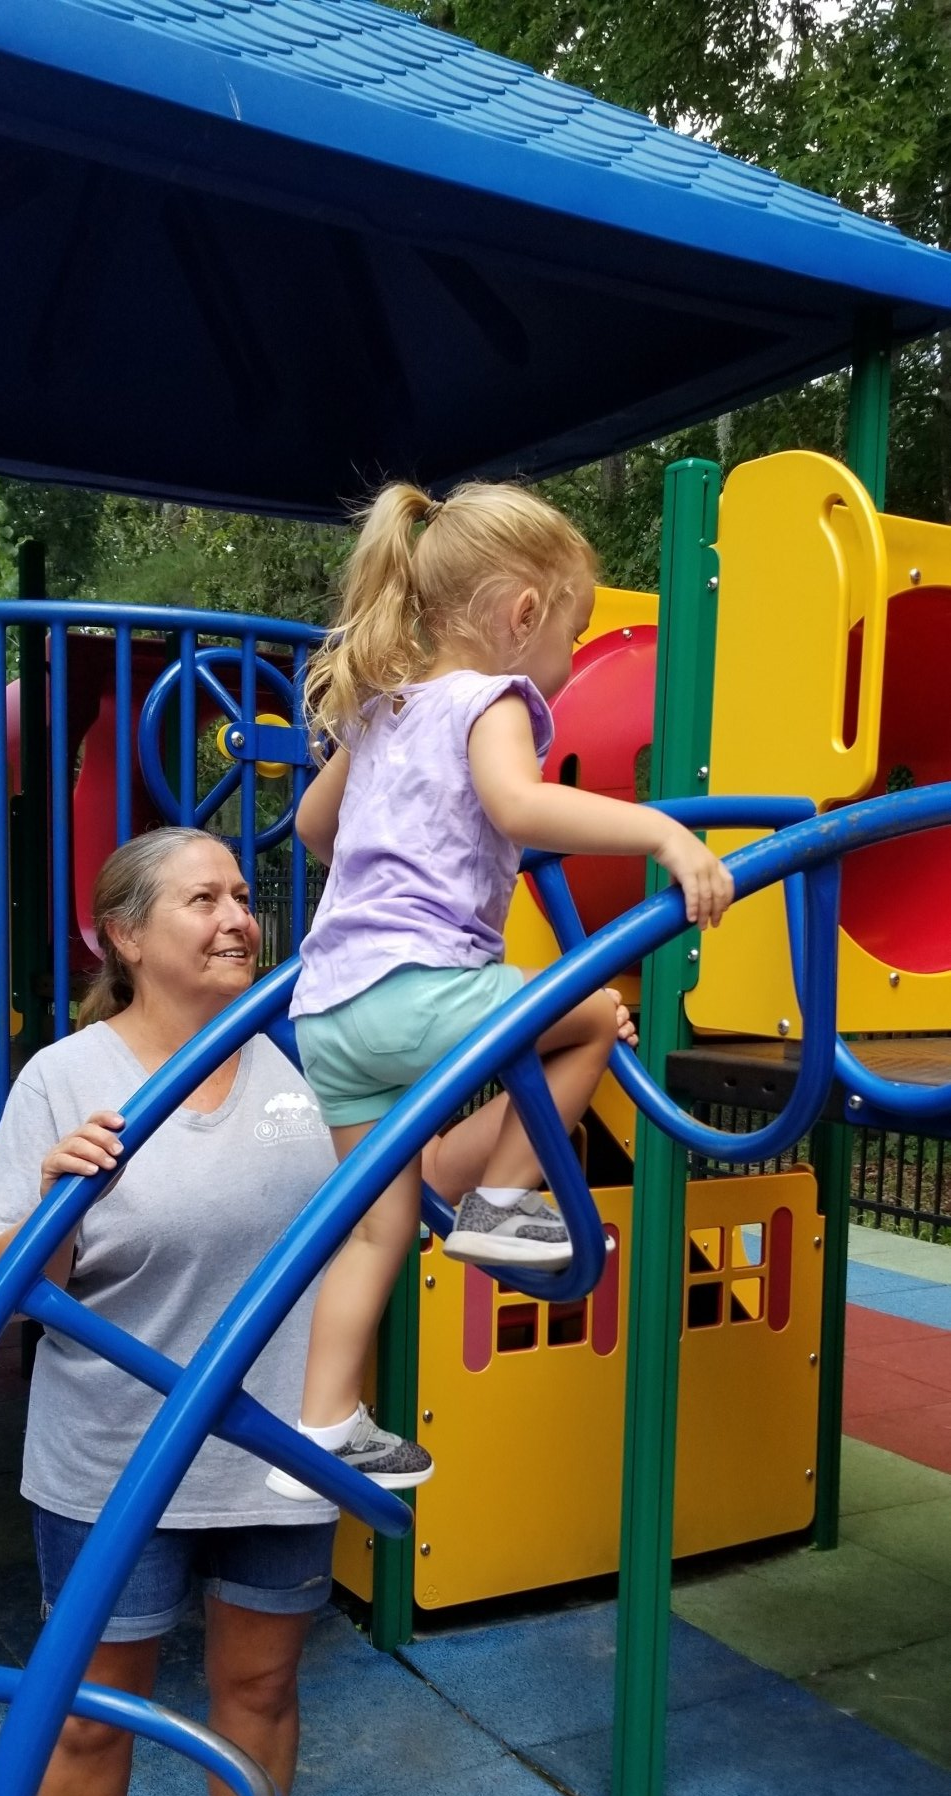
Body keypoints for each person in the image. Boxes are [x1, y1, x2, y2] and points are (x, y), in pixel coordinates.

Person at [268, 479, 734, 1502]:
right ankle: (499, 1203)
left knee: (376, 1224)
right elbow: (519, 802)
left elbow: (311, 829)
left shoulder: (381, 707)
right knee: (595, 1016)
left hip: (329, 1010)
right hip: (420, 984)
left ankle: (324, 1427)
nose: (566, 666)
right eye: (569, 637)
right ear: (523, 614)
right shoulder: (494, 700)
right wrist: (661, 831)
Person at [0, 827, 346, 1796]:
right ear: (124, 935)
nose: (235, 917)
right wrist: (53, 1199)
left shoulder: (301, 1056)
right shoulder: (66, 1077)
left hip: (274, 1449)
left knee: (261, 1687)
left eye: (240, 895)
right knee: (89, 1715)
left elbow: (405, 1183)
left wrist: (552, 1064)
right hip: (114, 1451)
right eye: (200, 899)